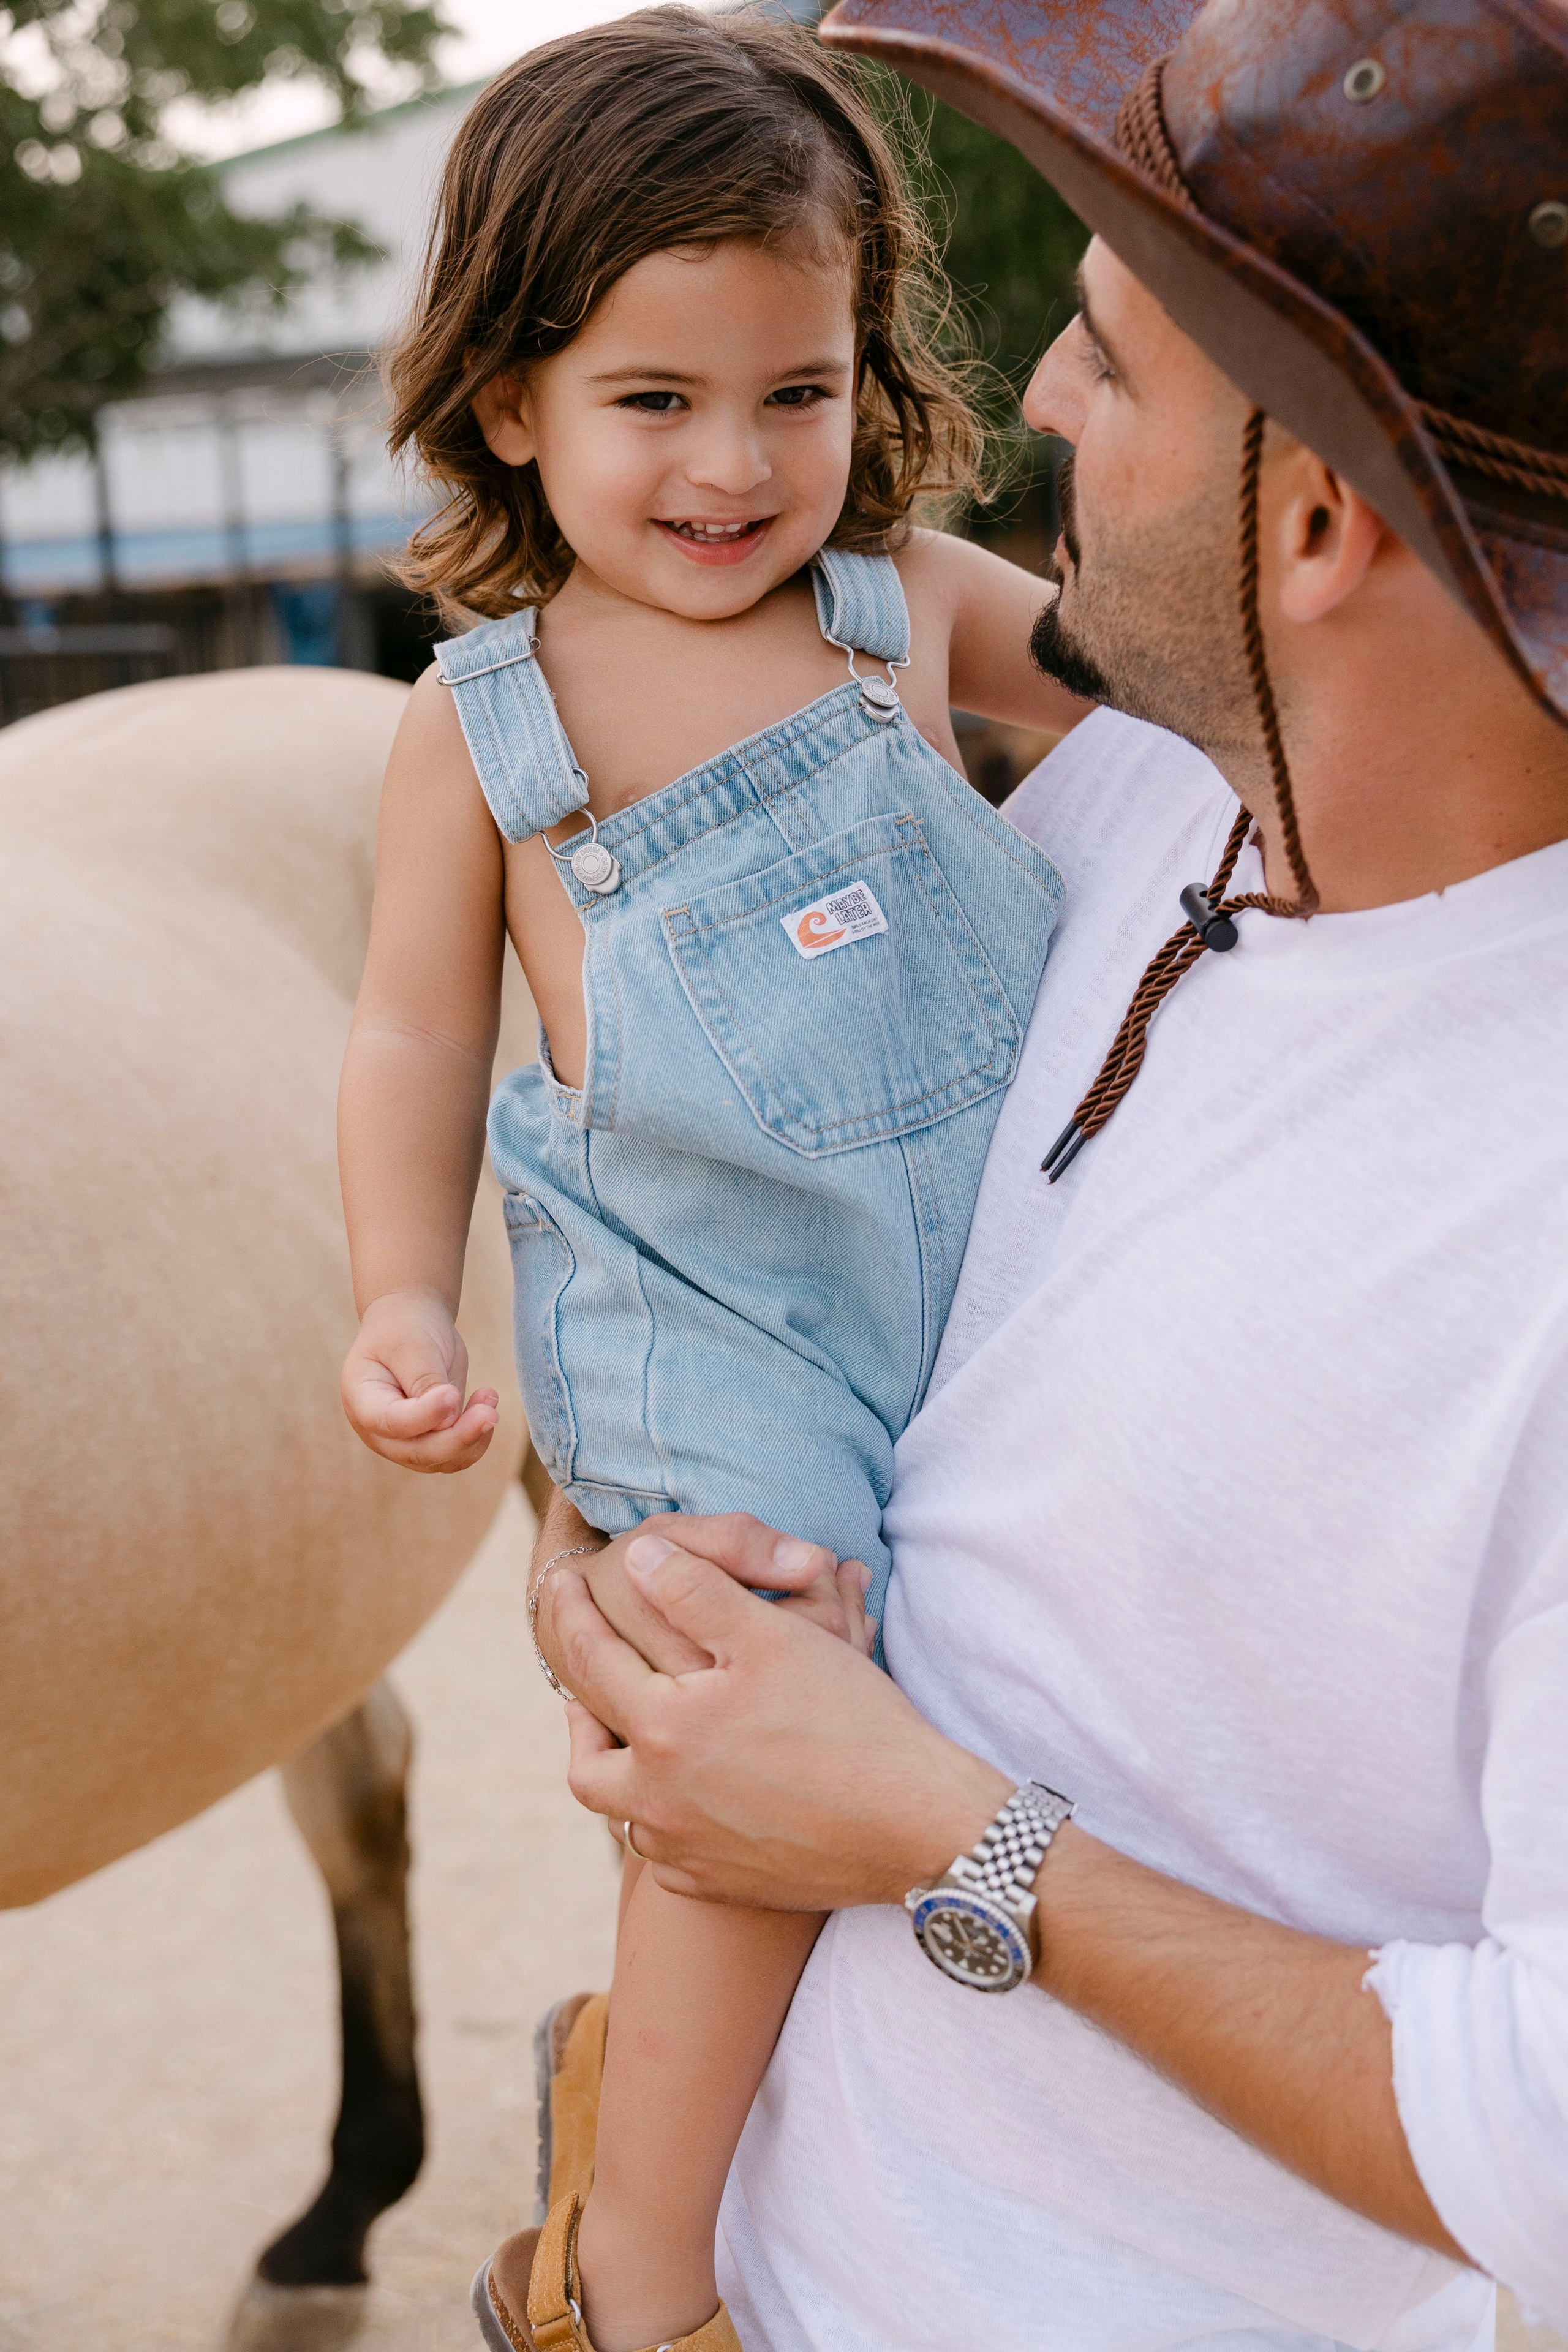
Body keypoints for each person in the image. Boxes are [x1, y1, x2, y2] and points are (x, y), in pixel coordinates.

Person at [527, 0, 1568, 2346]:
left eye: (1110, 355)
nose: (1043, 415)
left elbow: (1545, 2147)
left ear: (1317, 518)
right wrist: (638, 1594)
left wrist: (931, 1833)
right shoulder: (1139, 790)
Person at [334, 12, 1088, 2351]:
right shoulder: (491, 728)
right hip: (718, 1344)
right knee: (756, 1728)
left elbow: (1178, 724)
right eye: (656, 404)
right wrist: (401, 1302)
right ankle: (635, 2256)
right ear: (510, 397)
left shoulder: (906, 614)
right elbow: (416, 1032)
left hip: (972, 1290)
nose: (738, 464)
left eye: (800, 390)